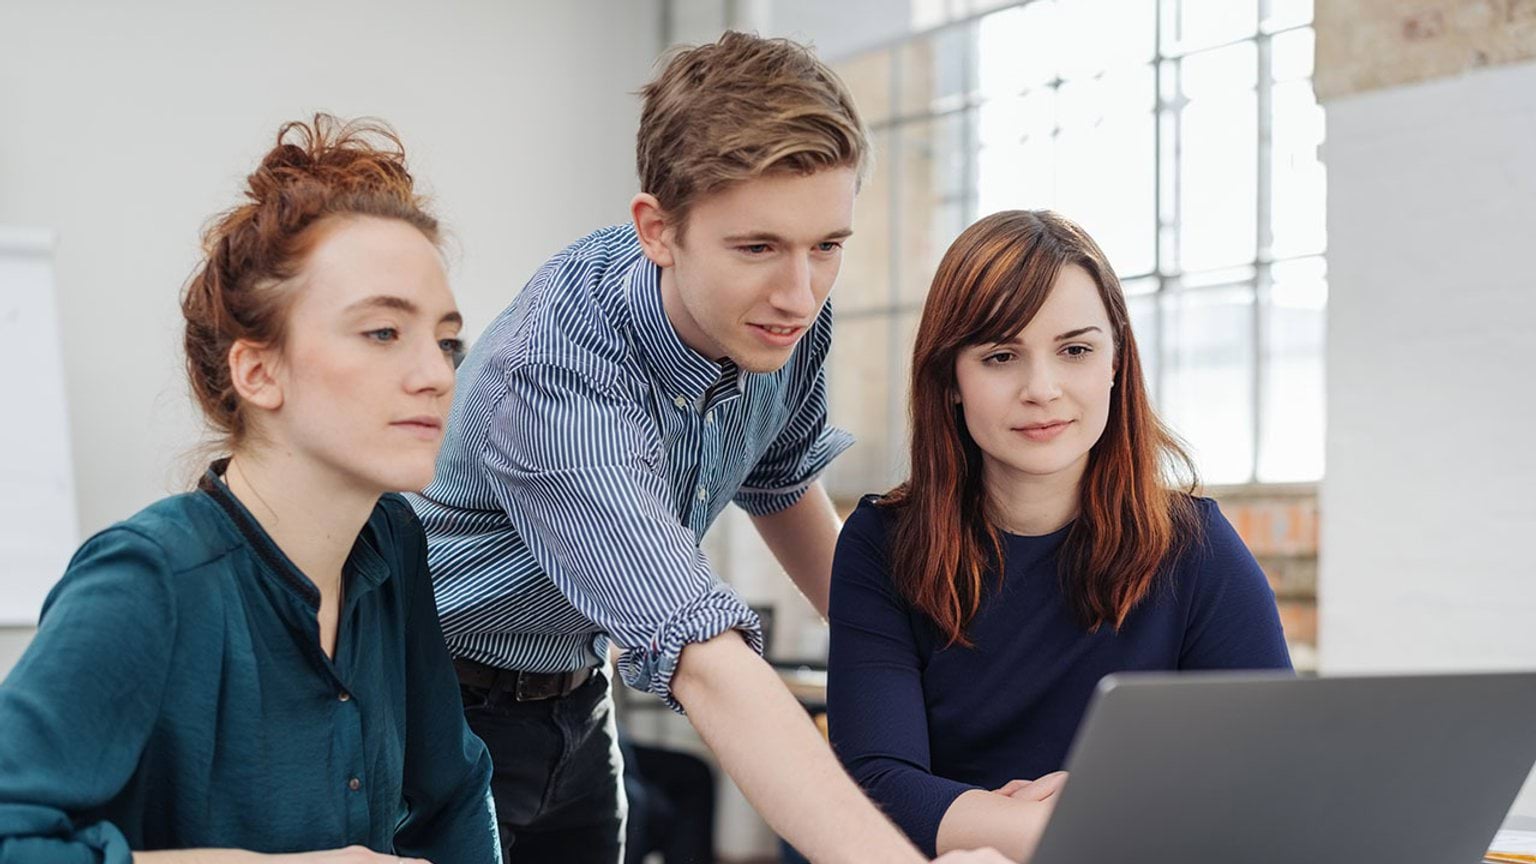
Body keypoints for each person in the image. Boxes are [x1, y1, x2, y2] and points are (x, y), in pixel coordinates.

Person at [411, 30, 1009, 864]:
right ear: (659, 229)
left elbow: (777, 478)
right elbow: (698, 653)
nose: (799, 294)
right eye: (757, 246)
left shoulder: (779, 313)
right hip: (433, 708)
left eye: (827, 246)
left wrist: (929, 676)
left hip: (578, 702)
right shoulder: (550, 377)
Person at [0, 115, 499, 863]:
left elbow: (454, 792)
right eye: (383, 333)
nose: (436, 373)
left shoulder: (392, 538)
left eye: (446, 338)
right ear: (258, 372)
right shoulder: (148, 578)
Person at [827, 210, 1294, 862]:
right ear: (950, 381)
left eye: (1075, 350)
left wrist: (1093, 814)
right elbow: (874, 784)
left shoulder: (1197, 548)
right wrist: (1089, 824)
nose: (1041, 390)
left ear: (1115, 362)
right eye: (1000, 356)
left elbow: (1274, 779)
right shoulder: (881, 543)